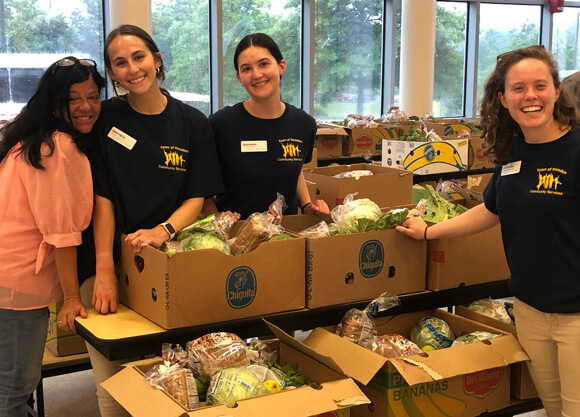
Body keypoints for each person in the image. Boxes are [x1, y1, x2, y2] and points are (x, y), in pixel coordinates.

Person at [396, 45, 580, 417]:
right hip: (529, 310)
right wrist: (430, 231)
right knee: (554, 408)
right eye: (519, 88)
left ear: (556, 92)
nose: (530, 96)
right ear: (504, 98)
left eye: (540, 86)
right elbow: (491, 209)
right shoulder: (515, 153)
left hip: (577, 315)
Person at [81, 24, 223, 417]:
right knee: (113, 387)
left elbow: (198, 195)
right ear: (112, 74)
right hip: (113, 261)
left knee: (178, 378)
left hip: (172, 260)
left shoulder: (193, 122)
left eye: (139, 57)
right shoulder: (105, 118)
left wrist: (163, 232)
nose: (132, 69)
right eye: (119, 63)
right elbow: (102, 197)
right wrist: (105, 267)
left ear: (157, 61)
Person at [0, 56, 105, 417]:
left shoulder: (23, 138)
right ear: (55, 102)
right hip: (19, 287)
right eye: (74, 98)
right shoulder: (56, 148)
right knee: (13, 392)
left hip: (6, 278)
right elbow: (62, 233)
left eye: (93, 96)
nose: (86, 107)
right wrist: (73, 298)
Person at [202, 33, 329, 220]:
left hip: (285, 235)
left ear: (281, 66)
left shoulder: (303, 124)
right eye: (246, 69)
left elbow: (295, 169)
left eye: (263, 64)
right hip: (234, 238)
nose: (257, 74)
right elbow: (202, 188)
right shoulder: (220, 124)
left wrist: (307, 205)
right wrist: (216, 219)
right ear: (239, 77)